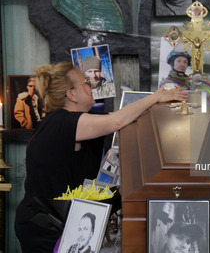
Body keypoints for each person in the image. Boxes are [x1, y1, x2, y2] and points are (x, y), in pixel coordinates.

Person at [14, 62, 188, 252]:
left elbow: (122, 117)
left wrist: (162, 104)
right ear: (71, 95)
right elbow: (116, 121)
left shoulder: (74, 120)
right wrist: (157, 95)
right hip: (45, 229)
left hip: (55, 222)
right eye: (85, 83)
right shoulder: (63, 122)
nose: (92, 86)